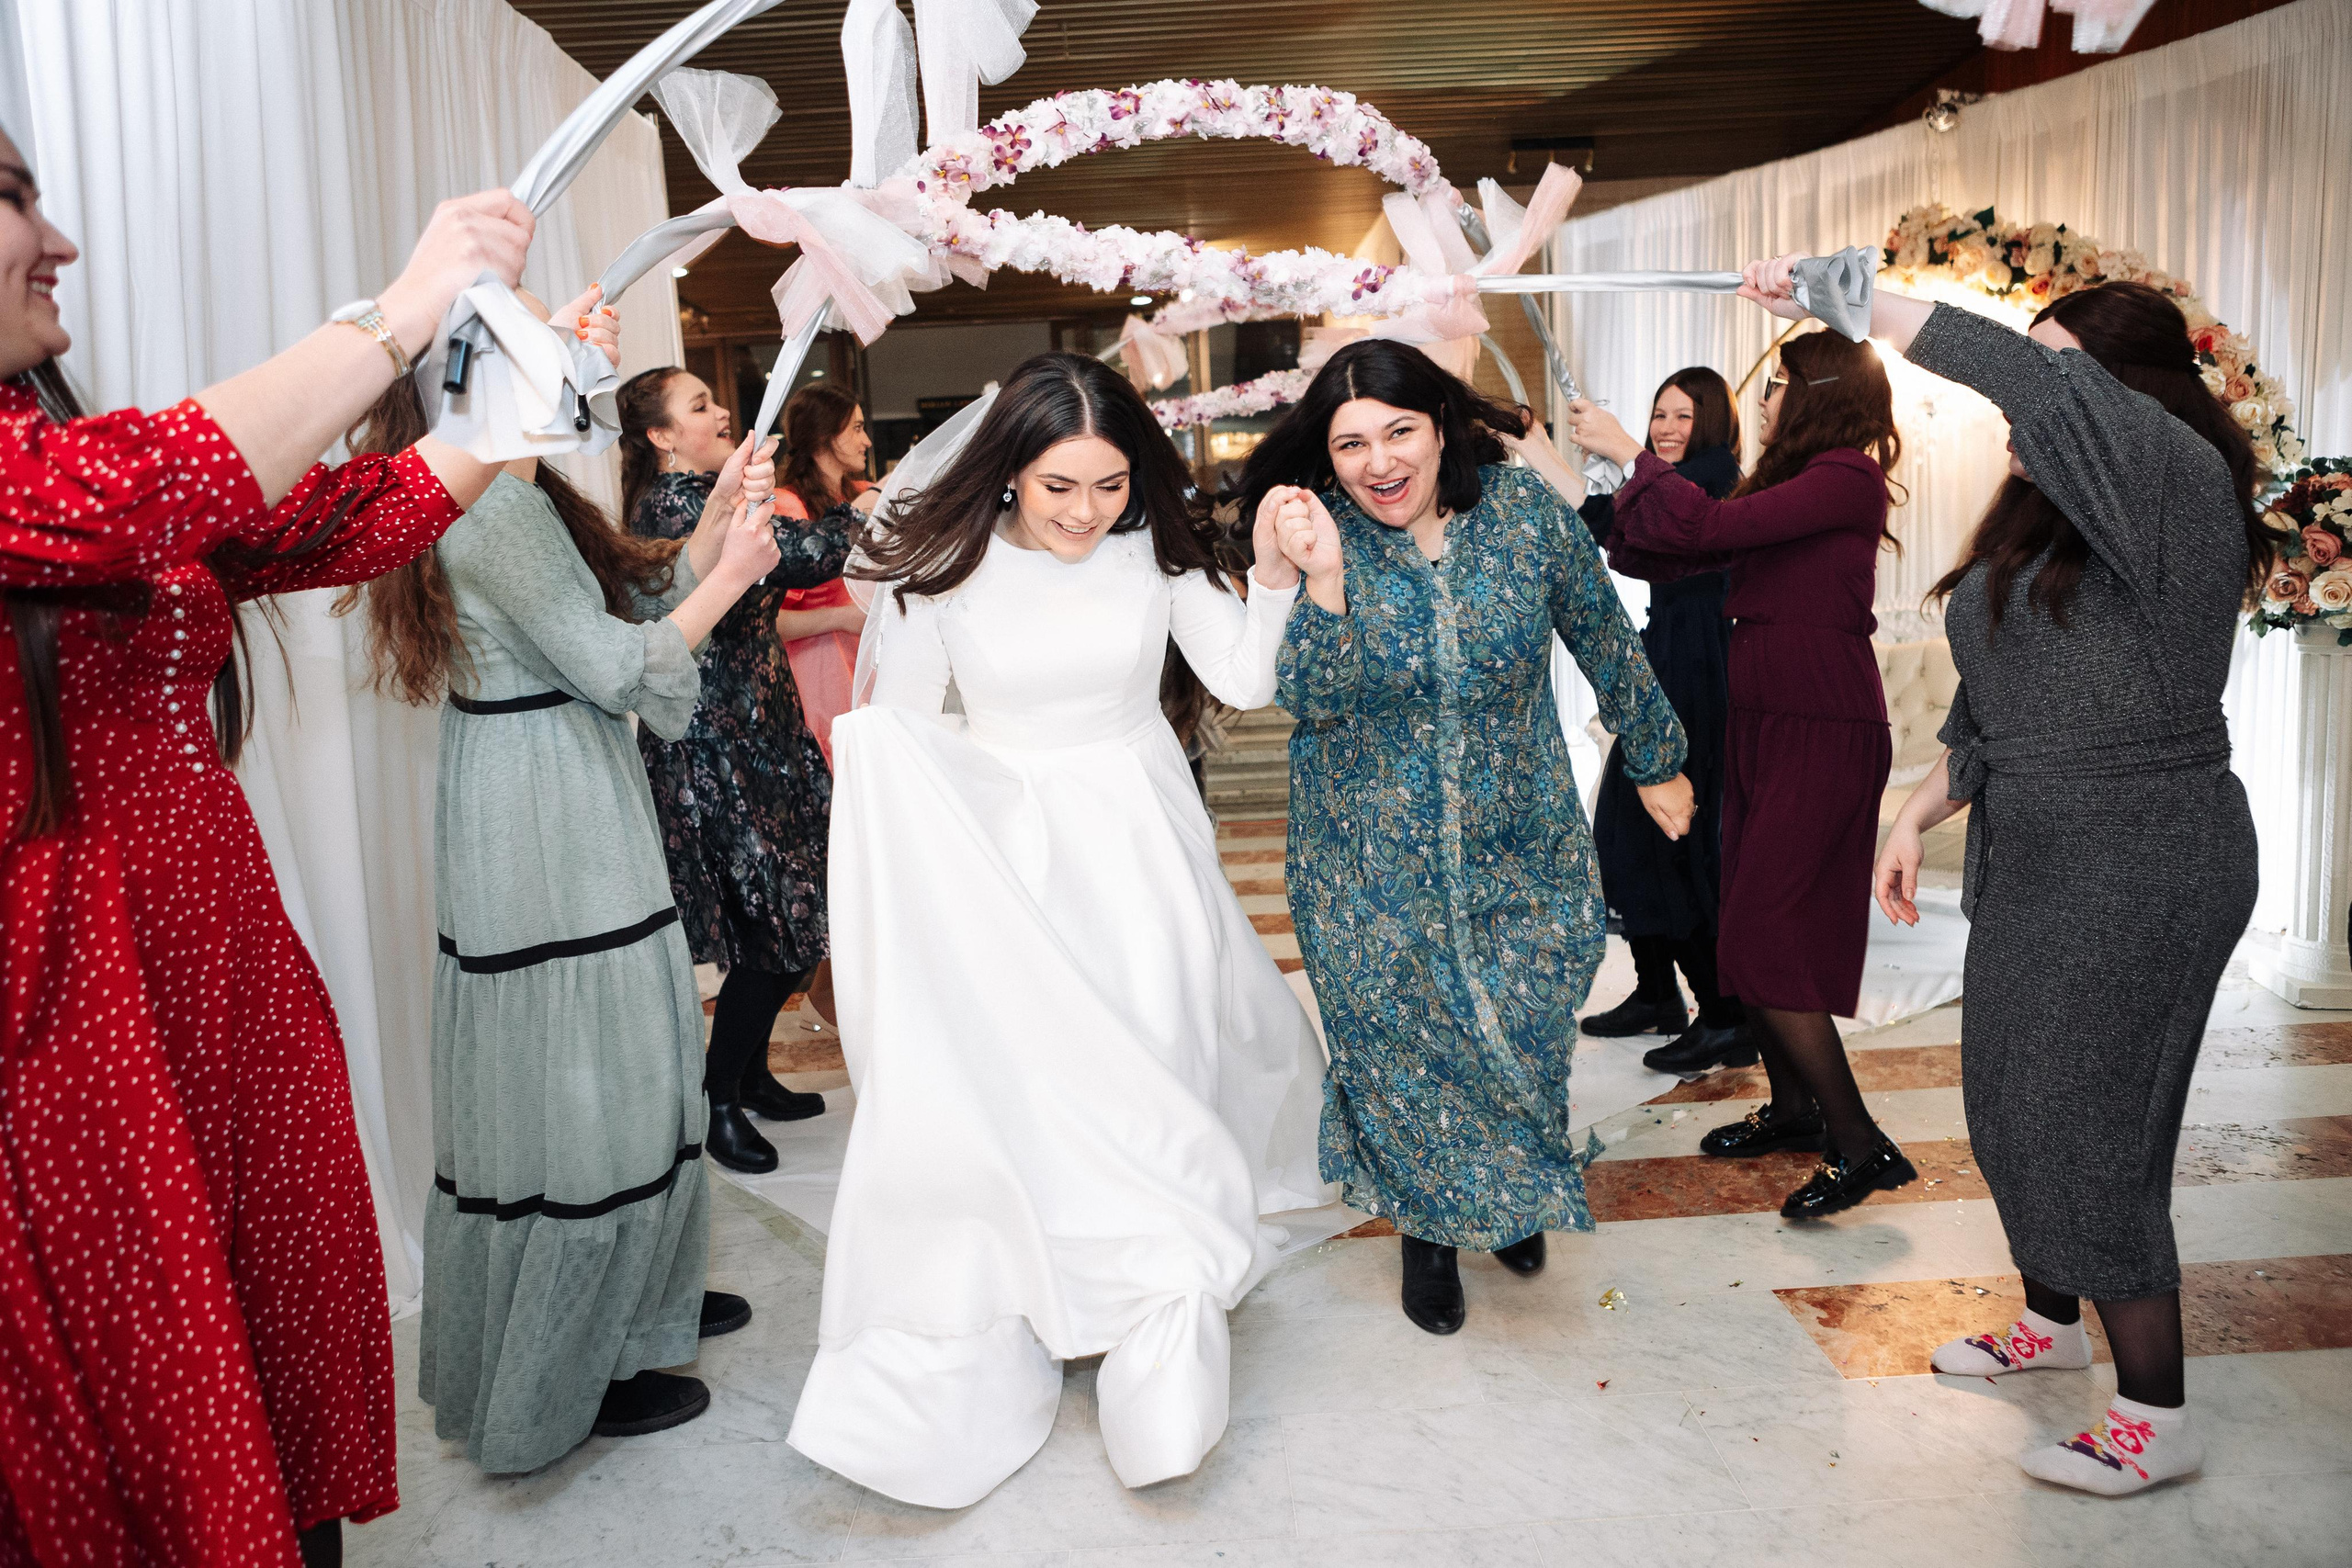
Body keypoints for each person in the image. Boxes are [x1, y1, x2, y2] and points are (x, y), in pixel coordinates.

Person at [0, 124, 595, 1562]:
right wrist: (397, 312)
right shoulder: (63, 478)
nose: (61, 243)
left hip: (212, 949)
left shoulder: (51, 446)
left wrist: (509, 406)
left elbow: (333, 514)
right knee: (144, 1350)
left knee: (274, 1285)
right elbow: (147, 485)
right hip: (71, 998)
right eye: (18, 203)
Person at [786, 353, 1332, 1506]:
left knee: (1158, 1044)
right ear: (1007, 479)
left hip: (1142, 838)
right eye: (1060, 489)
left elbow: (1235, 681)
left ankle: (1164, 1284)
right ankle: (1057, 1271)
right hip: (1012, 855)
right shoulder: (946, 575)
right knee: (1038, 1078)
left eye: (1110, 484)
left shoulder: (1153, 553)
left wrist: (1273, 578)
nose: (1089, 513)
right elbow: (898, 730)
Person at [1825, 268, 2271, 1495]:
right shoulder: (2047, 515)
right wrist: (1917, 810)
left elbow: (2027, 382)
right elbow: (1997, 697)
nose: (2031, 394)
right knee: (2011, 1099)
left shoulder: (2176, 484)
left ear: (2123, 396)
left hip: (2147, 847)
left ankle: (2153, 1413)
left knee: (2090, 1127)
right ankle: (2050, 1320)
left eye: (2063, 369)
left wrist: (1871, 304)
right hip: (2035, 837)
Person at [346, 340, 785, 1472]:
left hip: (556, 778)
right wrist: (735, 576)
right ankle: (573, 1377)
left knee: (626, 1064)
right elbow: (609, 659)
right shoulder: (490, 504)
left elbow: (638, 592)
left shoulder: (514, 481)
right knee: (584, 1089)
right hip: (541, 805)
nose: (577, 363)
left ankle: (639, 1314)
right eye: (547, 347)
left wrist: (716, 528)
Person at [1247, 339, 1693, 1337]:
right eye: (1350, 442)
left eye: (1397, 431)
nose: (1377, 461)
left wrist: (1657, 753)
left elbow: (1601, 629)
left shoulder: (1523, 513)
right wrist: (1317, 580)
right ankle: (1430, 1232)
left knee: (1525, 1028)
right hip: (1363, 859)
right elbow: (1306, 700)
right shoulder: (1317, 534)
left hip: (1521, 839)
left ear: (1440, 427)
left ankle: (1511, 1180)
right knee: (1404, 1053)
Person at [1569, 324, 1909, 1221]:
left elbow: (1709, 525)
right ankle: (1795, 1109)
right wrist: (1613, 492)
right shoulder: (1794, 481)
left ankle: (1860, 1143)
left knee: (1767, 930)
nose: (1762, 400)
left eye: (1775, 385)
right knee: (1744, 927)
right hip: (1764, 719)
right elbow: (1671, 551)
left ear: (1818, 393)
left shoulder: (1845, 475)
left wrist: (1629, 452)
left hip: (1817, 720)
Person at [616, 367, 855, 1174]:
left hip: (761, 723)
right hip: (715, 736)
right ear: (659, 437)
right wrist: (872, 507)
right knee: (777, 922)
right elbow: (802, 554)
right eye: (699, 406)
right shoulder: (678, 503)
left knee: (785, 915)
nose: (721, 413)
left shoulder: (700, 494)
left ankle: (751, 1072)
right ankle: (719, 1098)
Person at [1516, 369, 1752, 1076]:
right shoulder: (1660, 481)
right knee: (1621, 827)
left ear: (1712, 424)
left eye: (1684, 415)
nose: (1668, 427)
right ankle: (1657, 992)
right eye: (1659, 415)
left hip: (1703, 669)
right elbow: (1598, 520)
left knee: (1675, 844)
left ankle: (1724, 1013)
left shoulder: (1715, 480)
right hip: (1667, 657)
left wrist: (1624, 450)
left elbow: (1655, 514)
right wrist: (1531, 443)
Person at [773, 380, 875, 769]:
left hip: (867, 661)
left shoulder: (864, 494)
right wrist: (842, 617)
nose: (866, 441)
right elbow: (768, 620)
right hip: (817, 670)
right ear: (823, 436)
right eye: (856, 428)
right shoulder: (788, 506)